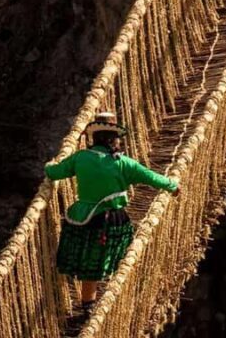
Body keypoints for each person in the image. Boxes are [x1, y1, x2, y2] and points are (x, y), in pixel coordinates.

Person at [45, 112, 180, 329]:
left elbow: (54, 172)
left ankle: (88, 305)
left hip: (83, 217)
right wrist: (173, 186)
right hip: (113, 221)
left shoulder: (80, 158)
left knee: (89, 264)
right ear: (114, 139)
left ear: (94, 138)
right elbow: (151, 177)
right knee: (119, 257)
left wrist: (49, 165)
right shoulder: (124, 163)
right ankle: (114, 291)